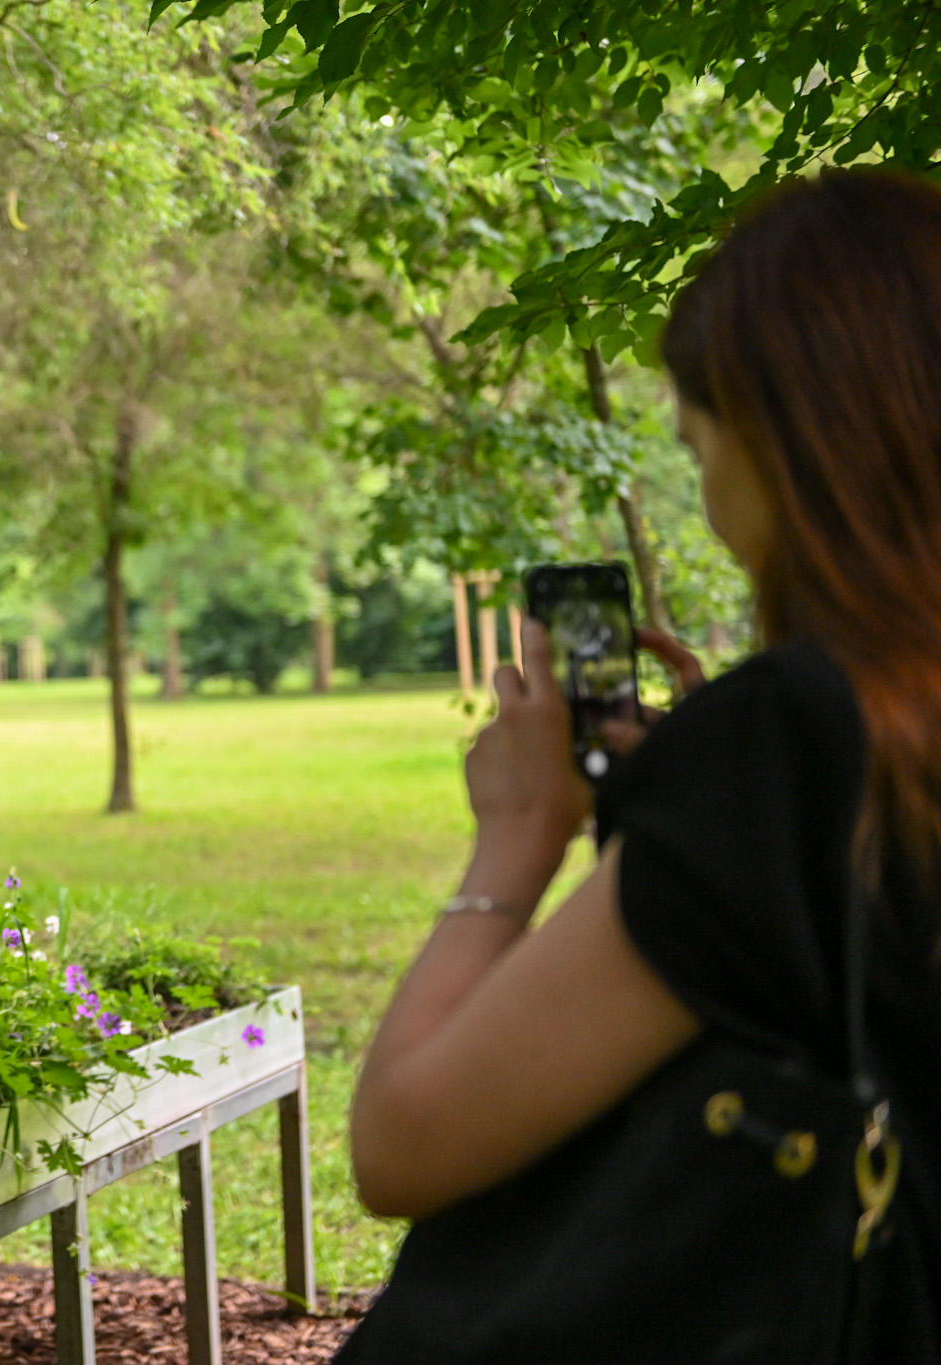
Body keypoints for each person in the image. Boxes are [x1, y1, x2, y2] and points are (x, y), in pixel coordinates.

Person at [342, 169, 940, 1355]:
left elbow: (403, 1142)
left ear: (783, 442)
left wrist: (516, 835)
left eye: (698, 442)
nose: (710, 489)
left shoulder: (791, 747)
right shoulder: (850, 745)